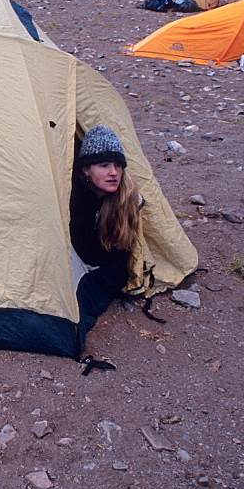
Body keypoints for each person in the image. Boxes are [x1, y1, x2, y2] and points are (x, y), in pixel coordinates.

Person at [70, 125, 142, 357]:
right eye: (104, 165)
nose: (114, 172)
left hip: (99, 262)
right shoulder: (75, 199)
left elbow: (118, 248)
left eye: (118, 165)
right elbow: (86, 251)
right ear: (85, 171)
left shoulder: (123, 198)